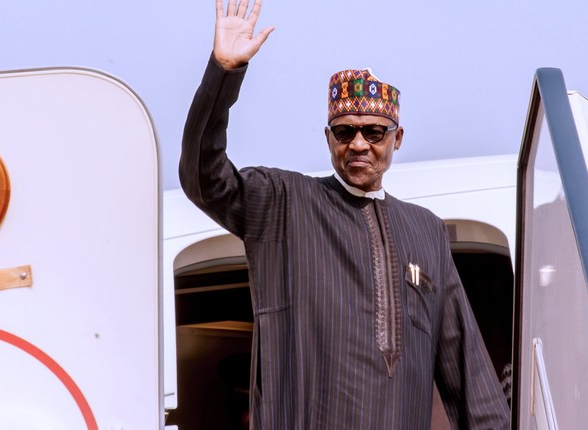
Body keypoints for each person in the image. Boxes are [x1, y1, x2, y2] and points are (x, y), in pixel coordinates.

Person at [180, 0, 511, 428]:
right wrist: (222, 74)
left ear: (398, 138)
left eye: (374, 131)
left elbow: (468, 374)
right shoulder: (284, 203)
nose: (358, 144)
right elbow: (204, 178)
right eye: (344, 131)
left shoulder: (425, 230)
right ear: (328, 137)